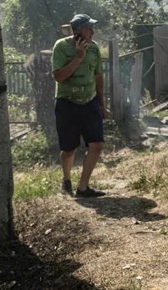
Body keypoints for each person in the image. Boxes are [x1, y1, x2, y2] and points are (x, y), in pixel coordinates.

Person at [52, 13, 108, 197]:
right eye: (88, 28)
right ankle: (66, 179)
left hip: (90, 101)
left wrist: (101, 103)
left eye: (92, 27)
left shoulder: (94, 48)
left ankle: (83, 187)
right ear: (77, 31)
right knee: (69, 150)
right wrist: (78, 57)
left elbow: (98, 76)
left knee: (97, 144)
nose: (92, 31)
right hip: (67, 103)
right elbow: (59, 77)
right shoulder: (61, 47)